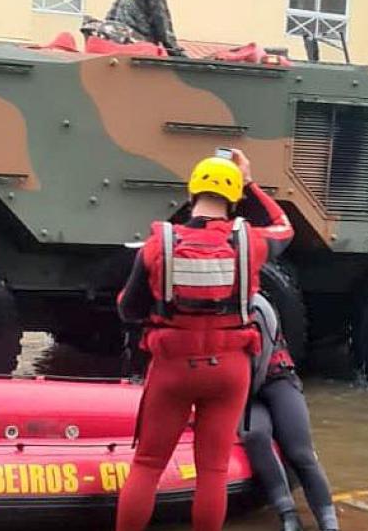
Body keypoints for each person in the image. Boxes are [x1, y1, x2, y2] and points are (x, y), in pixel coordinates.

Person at [115, 149, 294, 531]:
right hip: (229, 372)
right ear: (232, 199)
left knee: (147, 465)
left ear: (192, 192)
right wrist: (250, 182)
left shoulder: (158, 245)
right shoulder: (251, 243)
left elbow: (128, 309)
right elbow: (284, 226)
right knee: (212, 470)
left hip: (173, 369)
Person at [244, 297, 340, 531]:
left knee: (299, 451)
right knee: (255, 436)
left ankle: (329, 523)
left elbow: (259, 364)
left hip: (276, 379)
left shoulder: (258, 308)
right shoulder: (206, 311)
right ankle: (288, 516)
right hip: (242, 392)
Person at [106, 0, 185, 56]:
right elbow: (161, 21)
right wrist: (175, 51)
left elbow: (113, 11)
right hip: (139, 45)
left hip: (118, 40)